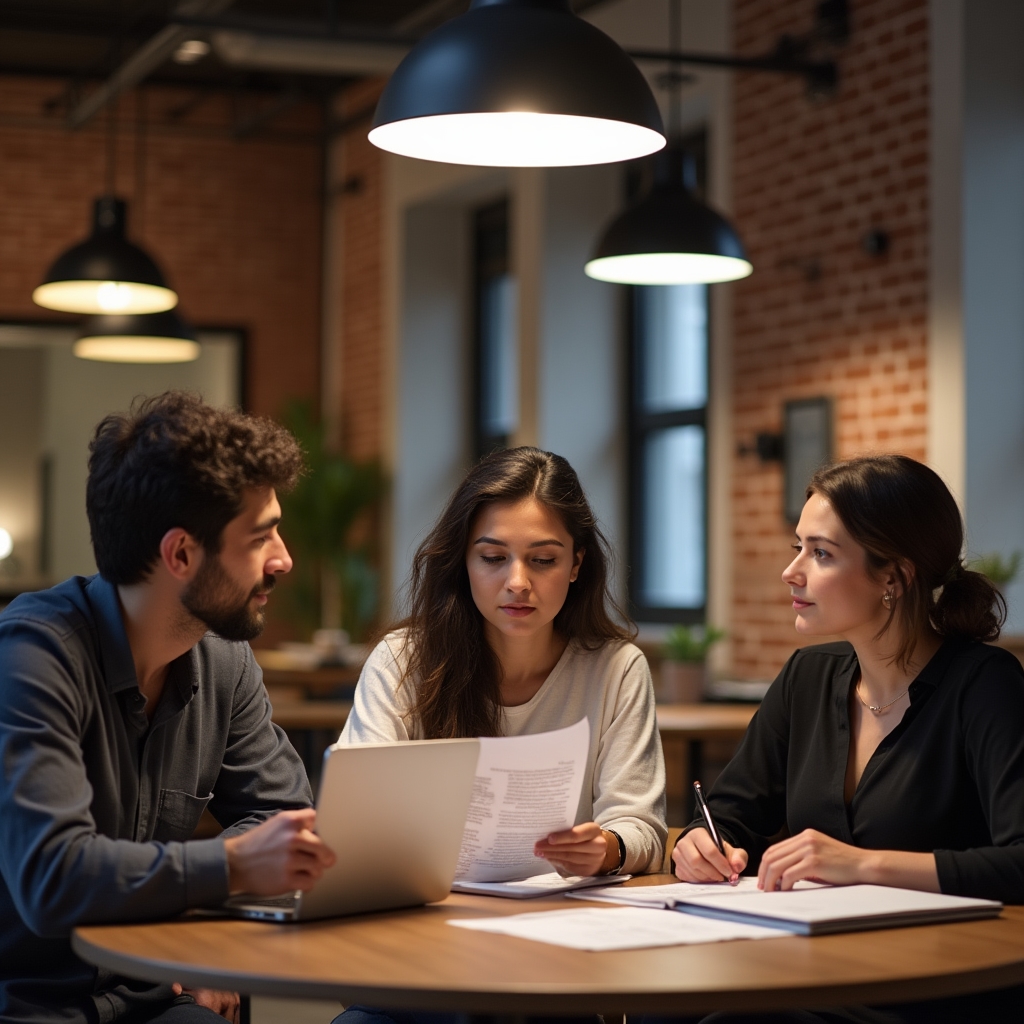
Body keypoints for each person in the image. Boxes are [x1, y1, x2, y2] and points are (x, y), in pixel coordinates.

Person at [0, 392, 335, 1024]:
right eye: (260, 537)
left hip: (154, 995)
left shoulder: (224, 662)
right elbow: (54, 876)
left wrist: (208, 942)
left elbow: (284, 817)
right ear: (180, 554)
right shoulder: (36, 653)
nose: (283, 558)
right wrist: (233, 865)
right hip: (31, 1006)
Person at [667, 454, 1024, 1024]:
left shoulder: (985, 685)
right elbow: (727, 816)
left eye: (822, 554)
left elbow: (1018, 863)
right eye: (798, 547)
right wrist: (699, 846)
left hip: (936, 988)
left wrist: (862, 864)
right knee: (673, 1005)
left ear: (894, 577)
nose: (793, 571)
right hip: (813, 965)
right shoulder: (807, 677)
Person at [339, 445, 666, 878]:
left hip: (562, 918)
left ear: (576, 564)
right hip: (428, 914)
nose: (517, 583)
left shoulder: (617, 669)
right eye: (493, 558)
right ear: (464, 562)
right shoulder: (403, 660)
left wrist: (607, 848)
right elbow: (355, 814)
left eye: (543, 560)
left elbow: (640, 826)